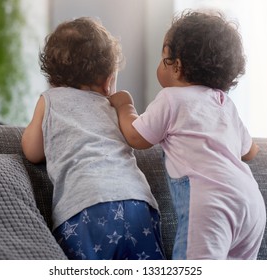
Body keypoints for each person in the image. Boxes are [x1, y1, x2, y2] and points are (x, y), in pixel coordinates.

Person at [109, 10, 266, 259]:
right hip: (251, 203)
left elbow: (137, 137)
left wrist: (124, 106)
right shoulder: (224, 103)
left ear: (177, 67)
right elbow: (250, 151)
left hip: (211, 205)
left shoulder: (171, 98)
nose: (160, 65)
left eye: (163, 58)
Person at [21, 17, 165, 260]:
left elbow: (32, 151)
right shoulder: (114, 107)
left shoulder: (50, 100)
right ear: (109, 80)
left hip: (85, 207)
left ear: (53, 77)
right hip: (138, 203)